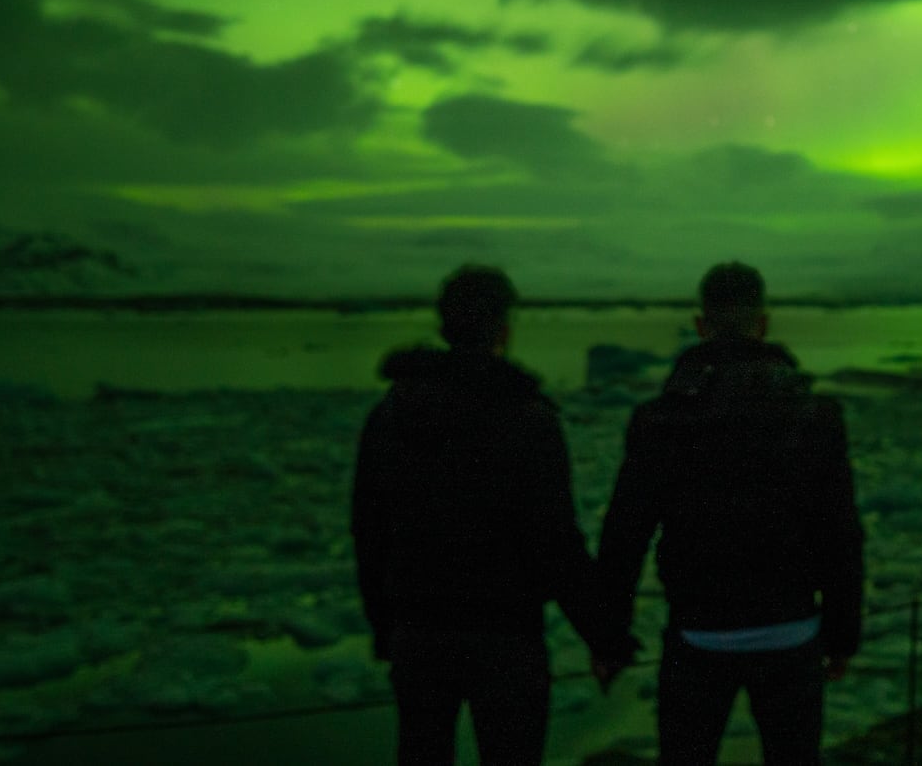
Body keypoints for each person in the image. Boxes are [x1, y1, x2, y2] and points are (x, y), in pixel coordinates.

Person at [351, 264, 632, 765]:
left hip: (419, 630)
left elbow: (368, 528)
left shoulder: (393, 412)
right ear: (503, 328)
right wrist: (604, 636)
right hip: (505, 637)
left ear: (444, 325)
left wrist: (385, 624)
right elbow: (555, 540)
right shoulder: (526, 418)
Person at [594, 261, 865, 765]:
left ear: (701, 325)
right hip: (793, 633)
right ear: (763, 323)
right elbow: (841, 533)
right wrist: (842, 633)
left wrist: (608, 638)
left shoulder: (661, 420)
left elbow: (624, 536)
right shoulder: (814, 416)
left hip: (699, 634)